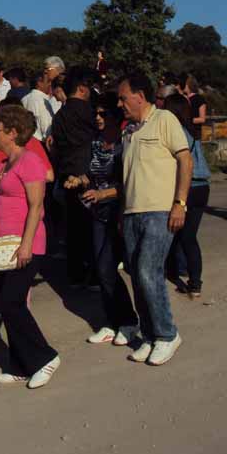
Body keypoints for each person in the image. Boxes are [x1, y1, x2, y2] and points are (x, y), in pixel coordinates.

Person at [0, 105, 60, 388]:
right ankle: (21, 364)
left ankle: (45, 357)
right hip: (2, 244)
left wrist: (25, 246)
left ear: (12, 132)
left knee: (12, 302)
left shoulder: (30, 161)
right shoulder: (4, 164)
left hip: (26, 244)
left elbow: (36, 207)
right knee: (7, 304)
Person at [116, 72, 191, 366]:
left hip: (160, 210)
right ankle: (149, 335)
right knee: (136, 274)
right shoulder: (128, 131)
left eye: (123, 98)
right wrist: (123, 212)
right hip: (132, 212)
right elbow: (127, 178)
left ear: (140, 95)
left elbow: (185, 159)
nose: (120, 104)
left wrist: (180, 203)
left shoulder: (165, 120)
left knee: (149, 271)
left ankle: (167, 334)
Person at [73, 93, 138, 342]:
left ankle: (129, 321)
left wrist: (103, 194)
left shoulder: (125, 143)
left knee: (111, 267)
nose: (98, 118)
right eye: (96, 114)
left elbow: (128, 183)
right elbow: (92, 174)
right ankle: (113, 321)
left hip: (119, 212)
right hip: (98, 212)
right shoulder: (96, 142)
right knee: (102, 270)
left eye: (103, 114)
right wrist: (78, 180)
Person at [50, 66, 98, 287]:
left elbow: (57, 146)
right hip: (89, 173)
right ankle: (95, 273)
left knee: (74, 228)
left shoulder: (59, 116)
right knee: (92, 227)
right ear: (81, 88)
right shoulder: (89, 112)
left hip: (67, 173)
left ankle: (75, 274)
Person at [162, 94, 212, 299]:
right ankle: (192, 280)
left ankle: (192, 281)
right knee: (187, 235)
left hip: (188, 187)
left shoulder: (175, 132)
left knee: (182, 235)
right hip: (203, 187)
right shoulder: (192, 132)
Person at [22, 70, 55, 141]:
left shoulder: (24, 99)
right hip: (41, 143)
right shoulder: (42, 100)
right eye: (48, 81)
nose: (50, 84)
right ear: (39, 83)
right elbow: (46, 125)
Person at [178, 74, 207, 141]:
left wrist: (187, 120)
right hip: (183, 132)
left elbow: (202, 119)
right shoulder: (182, 98)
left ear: (188, 85)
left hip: (194, 134)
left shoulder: (199, 99)